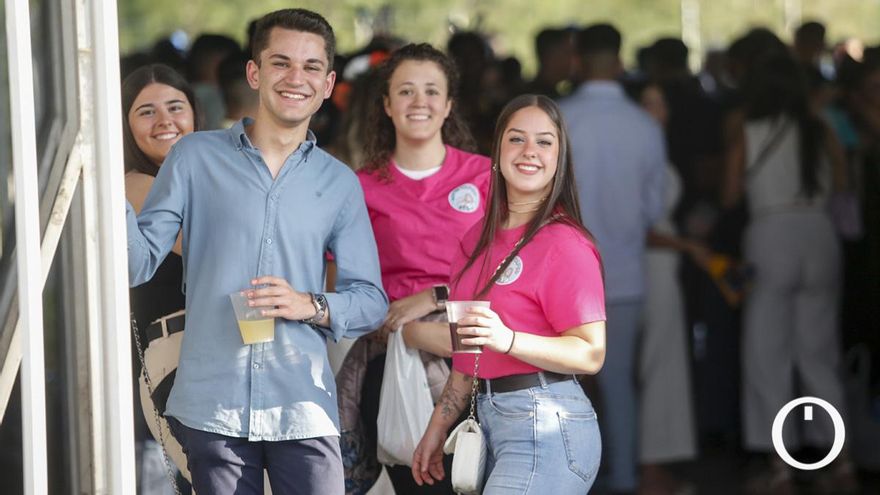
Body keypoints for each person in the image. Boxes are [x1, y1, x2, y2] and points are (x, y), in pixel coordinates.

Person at [125, 9, 388, 495]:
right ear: (255, 72)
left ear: (328, 83)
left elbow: (371, 299)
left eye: (311, 67)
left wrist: (309, 305)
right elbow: (137, 262)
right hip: (213, 407)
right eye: (280, 62)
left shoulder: (338, 184)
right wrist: (104, 180)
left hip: (302, 404)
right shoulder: (195, 157)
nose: (296, 78)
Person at [412, 94, 607, 494]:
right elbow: (467, 359)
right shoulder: (473, 242)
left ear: (559, 158)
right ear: (497, 154)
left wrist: (509, 339)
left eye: (544, 142)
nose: (530, 151)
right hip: (488, 425)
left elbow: (591, 353)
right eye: (516, 139)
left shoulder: (564, 243)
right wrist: (436, 428)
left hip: (549, 425)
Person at [342, 42, 490, 494]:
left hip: (476, 356)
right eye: (405, 91)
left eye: (431, 91)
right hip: (392, 365)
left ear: (448, 105)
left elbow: (507, 268)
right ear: (386, 105)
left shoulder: (486, 177)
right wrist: (396, 325)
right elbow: (340, 281)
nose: (419, 102)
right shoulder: (361, 186)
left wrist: (433, 298)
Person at [722, 52, 857, 495]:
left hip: (770, 233)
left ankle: (780, 463)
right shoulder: (820, 128)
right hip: (819, 234)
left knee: (767, 354)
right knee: (819, 352)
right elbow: (841, 184)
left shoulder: (749, 128)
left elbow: (730, 192)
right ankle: (837, 460)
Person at [560, 23, 666, 494]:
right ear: (620, 61)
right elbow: (656, 210)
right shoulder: (644, 124)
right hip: (623, 273)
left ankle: (567, 481)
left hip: (561, 278)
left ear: (577, 59)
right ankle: (624, 479)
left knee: (561, 387)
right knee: (620, 384)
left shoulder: (559, 117)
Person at [123, 63, 198, 495]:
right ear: (127, 126)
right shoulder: (136, 183)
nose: (165, 121)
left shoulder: (202, 177)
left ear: (194, 115)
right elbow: (208, 248)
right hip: (177, 352)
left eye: (175, 106)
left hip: (231, 343)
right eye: (146, 112)